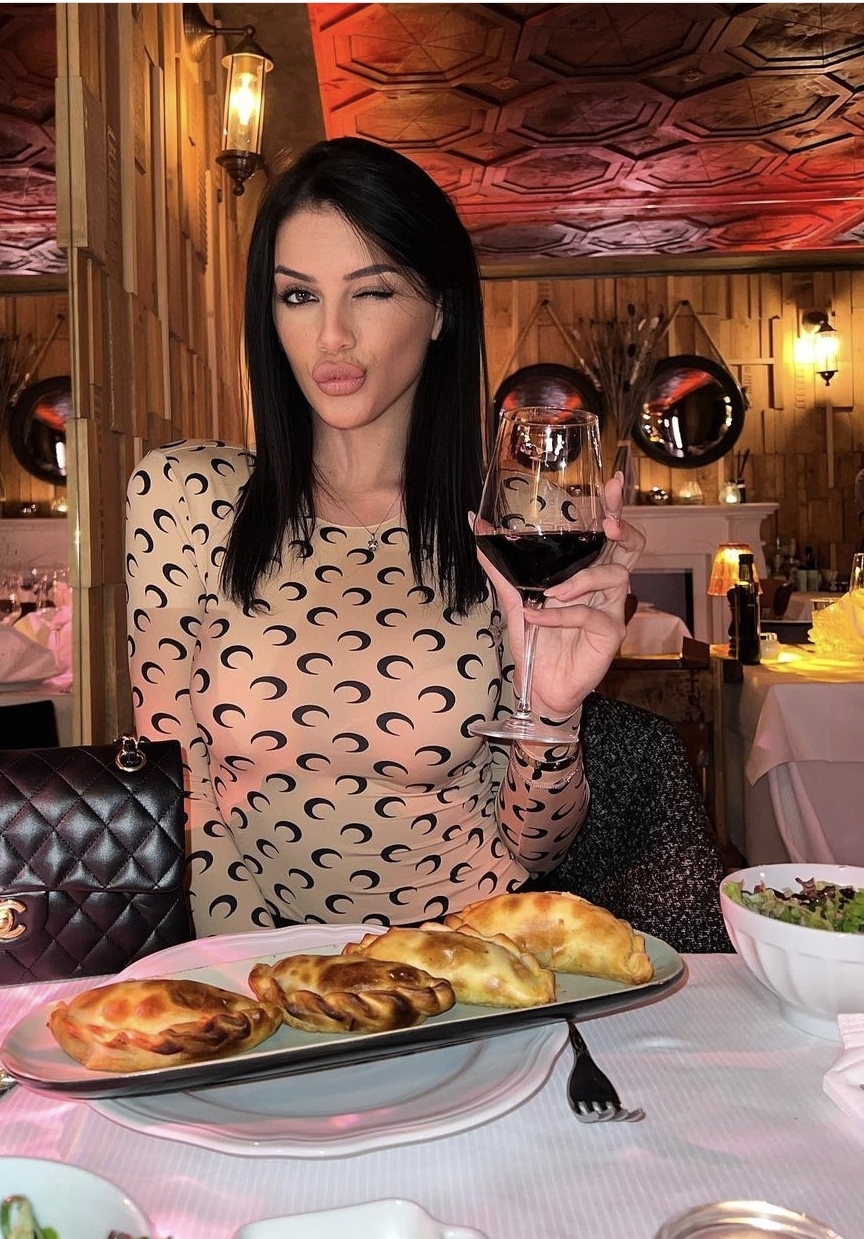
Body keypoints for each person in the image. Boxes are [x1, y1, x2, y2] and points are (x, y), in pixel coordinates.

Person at [125, 137, 645, 937]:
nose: (331, 335)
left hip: (468, 967)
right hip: (256, 976)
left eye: (370, 292)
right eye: (298, 296)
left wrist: (551, 711)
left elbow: (536, 848)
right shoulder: (186, 497)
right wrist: (271, 976)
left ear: (440, 308)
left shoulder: (510, 524)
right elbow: (176, 797)